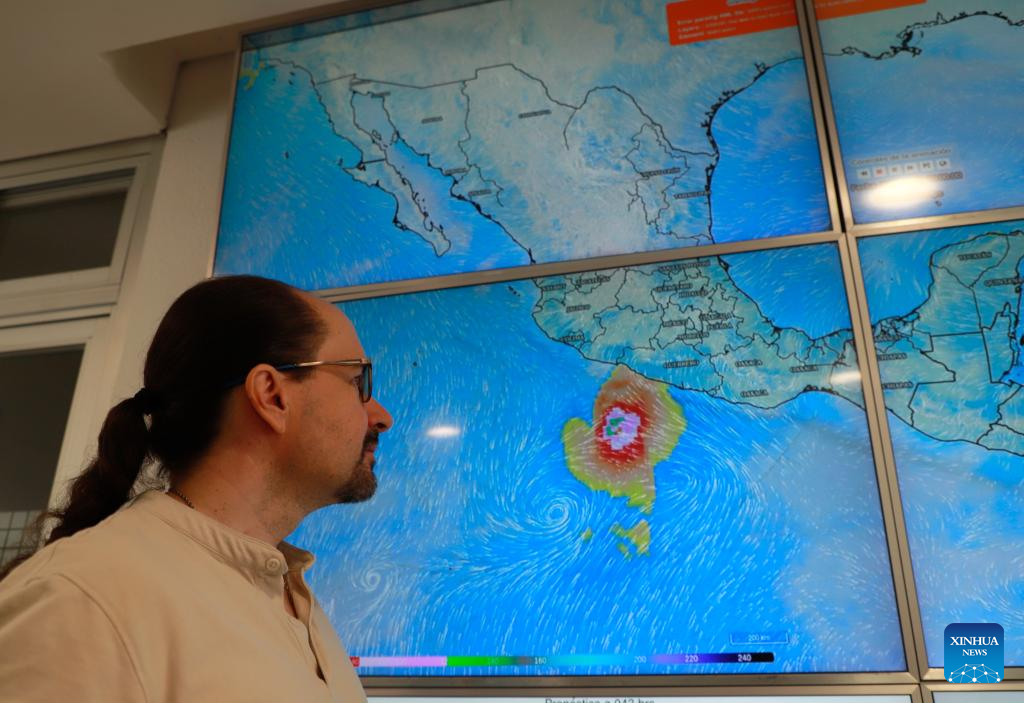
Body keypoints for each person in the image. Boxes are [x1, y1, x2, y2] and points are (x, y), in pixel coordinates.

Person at [0, 275, 393, 702]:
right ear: (272, 396)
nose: (381, 416)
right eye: (357, 382)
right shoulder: (82, 601)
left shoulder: (289, 598)